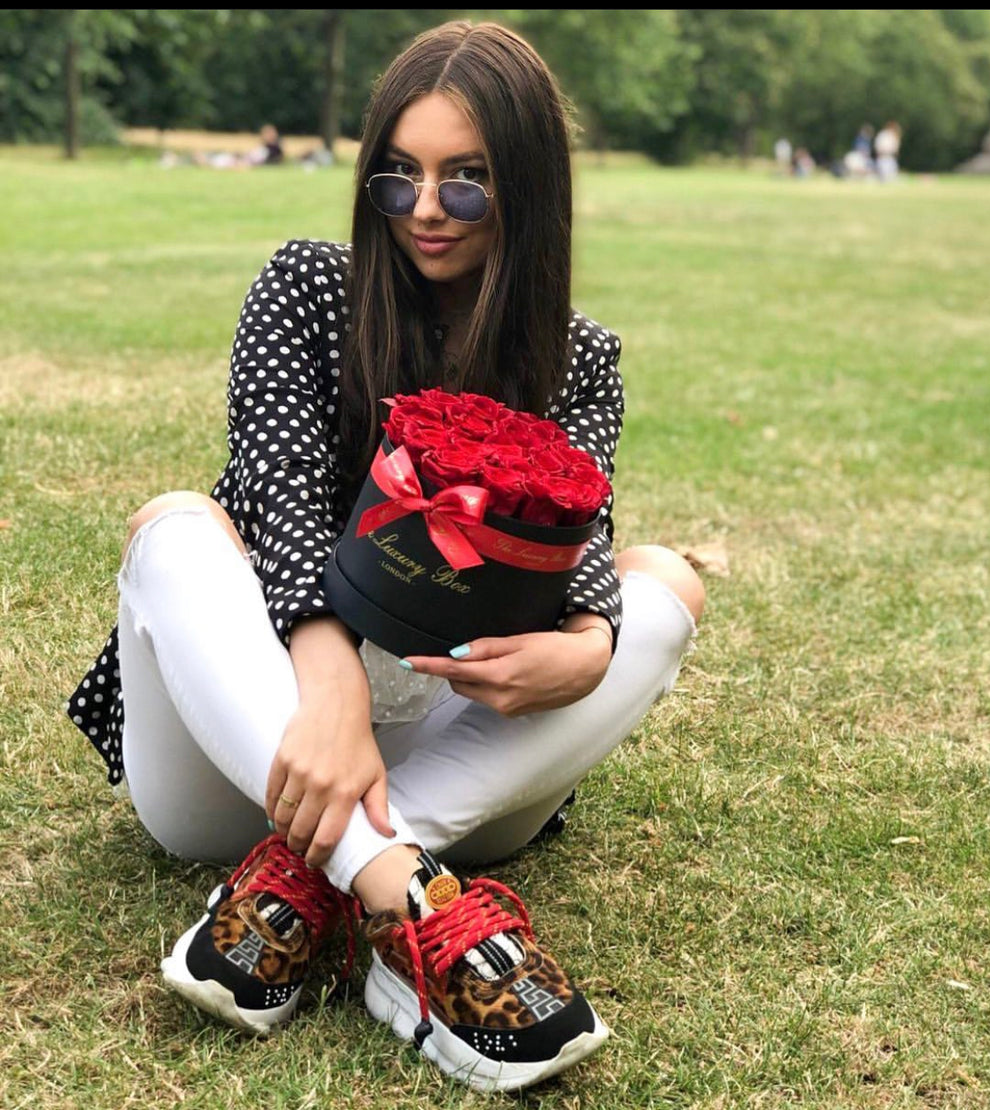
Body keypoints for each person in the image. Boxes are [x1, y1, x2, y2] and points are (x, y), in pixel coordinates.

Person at [66, 19, 704, 1095]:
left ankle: (311, 886)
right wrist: (326, 693)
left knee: (667, 583)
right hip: (253, 759)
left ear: (527, 192)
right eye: (396, 176)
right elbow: (273, 492)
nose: (423, 208)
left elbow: (578, 540)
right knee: (175, 524)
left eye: (466, 181)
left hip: (457, 773)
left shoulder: (578, 357)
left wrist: (590, 645)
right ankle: (401, 892)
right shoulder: (307, 291)